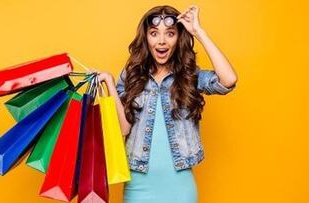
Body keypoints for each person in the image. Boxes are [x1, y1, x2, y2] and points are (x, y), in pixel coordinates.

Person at [97, 4, 238, 203]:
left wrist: (198, 31)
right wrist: (111, 85)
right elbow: (123, 127)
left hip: (179, 189)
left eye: (170, 33)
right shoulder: (132, 75)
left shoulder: (189, 76)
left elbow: (228, 80)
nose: (161, 41)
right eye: (154, 33)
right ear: (146, 38)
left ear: (178, 38)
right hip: (139, 186)